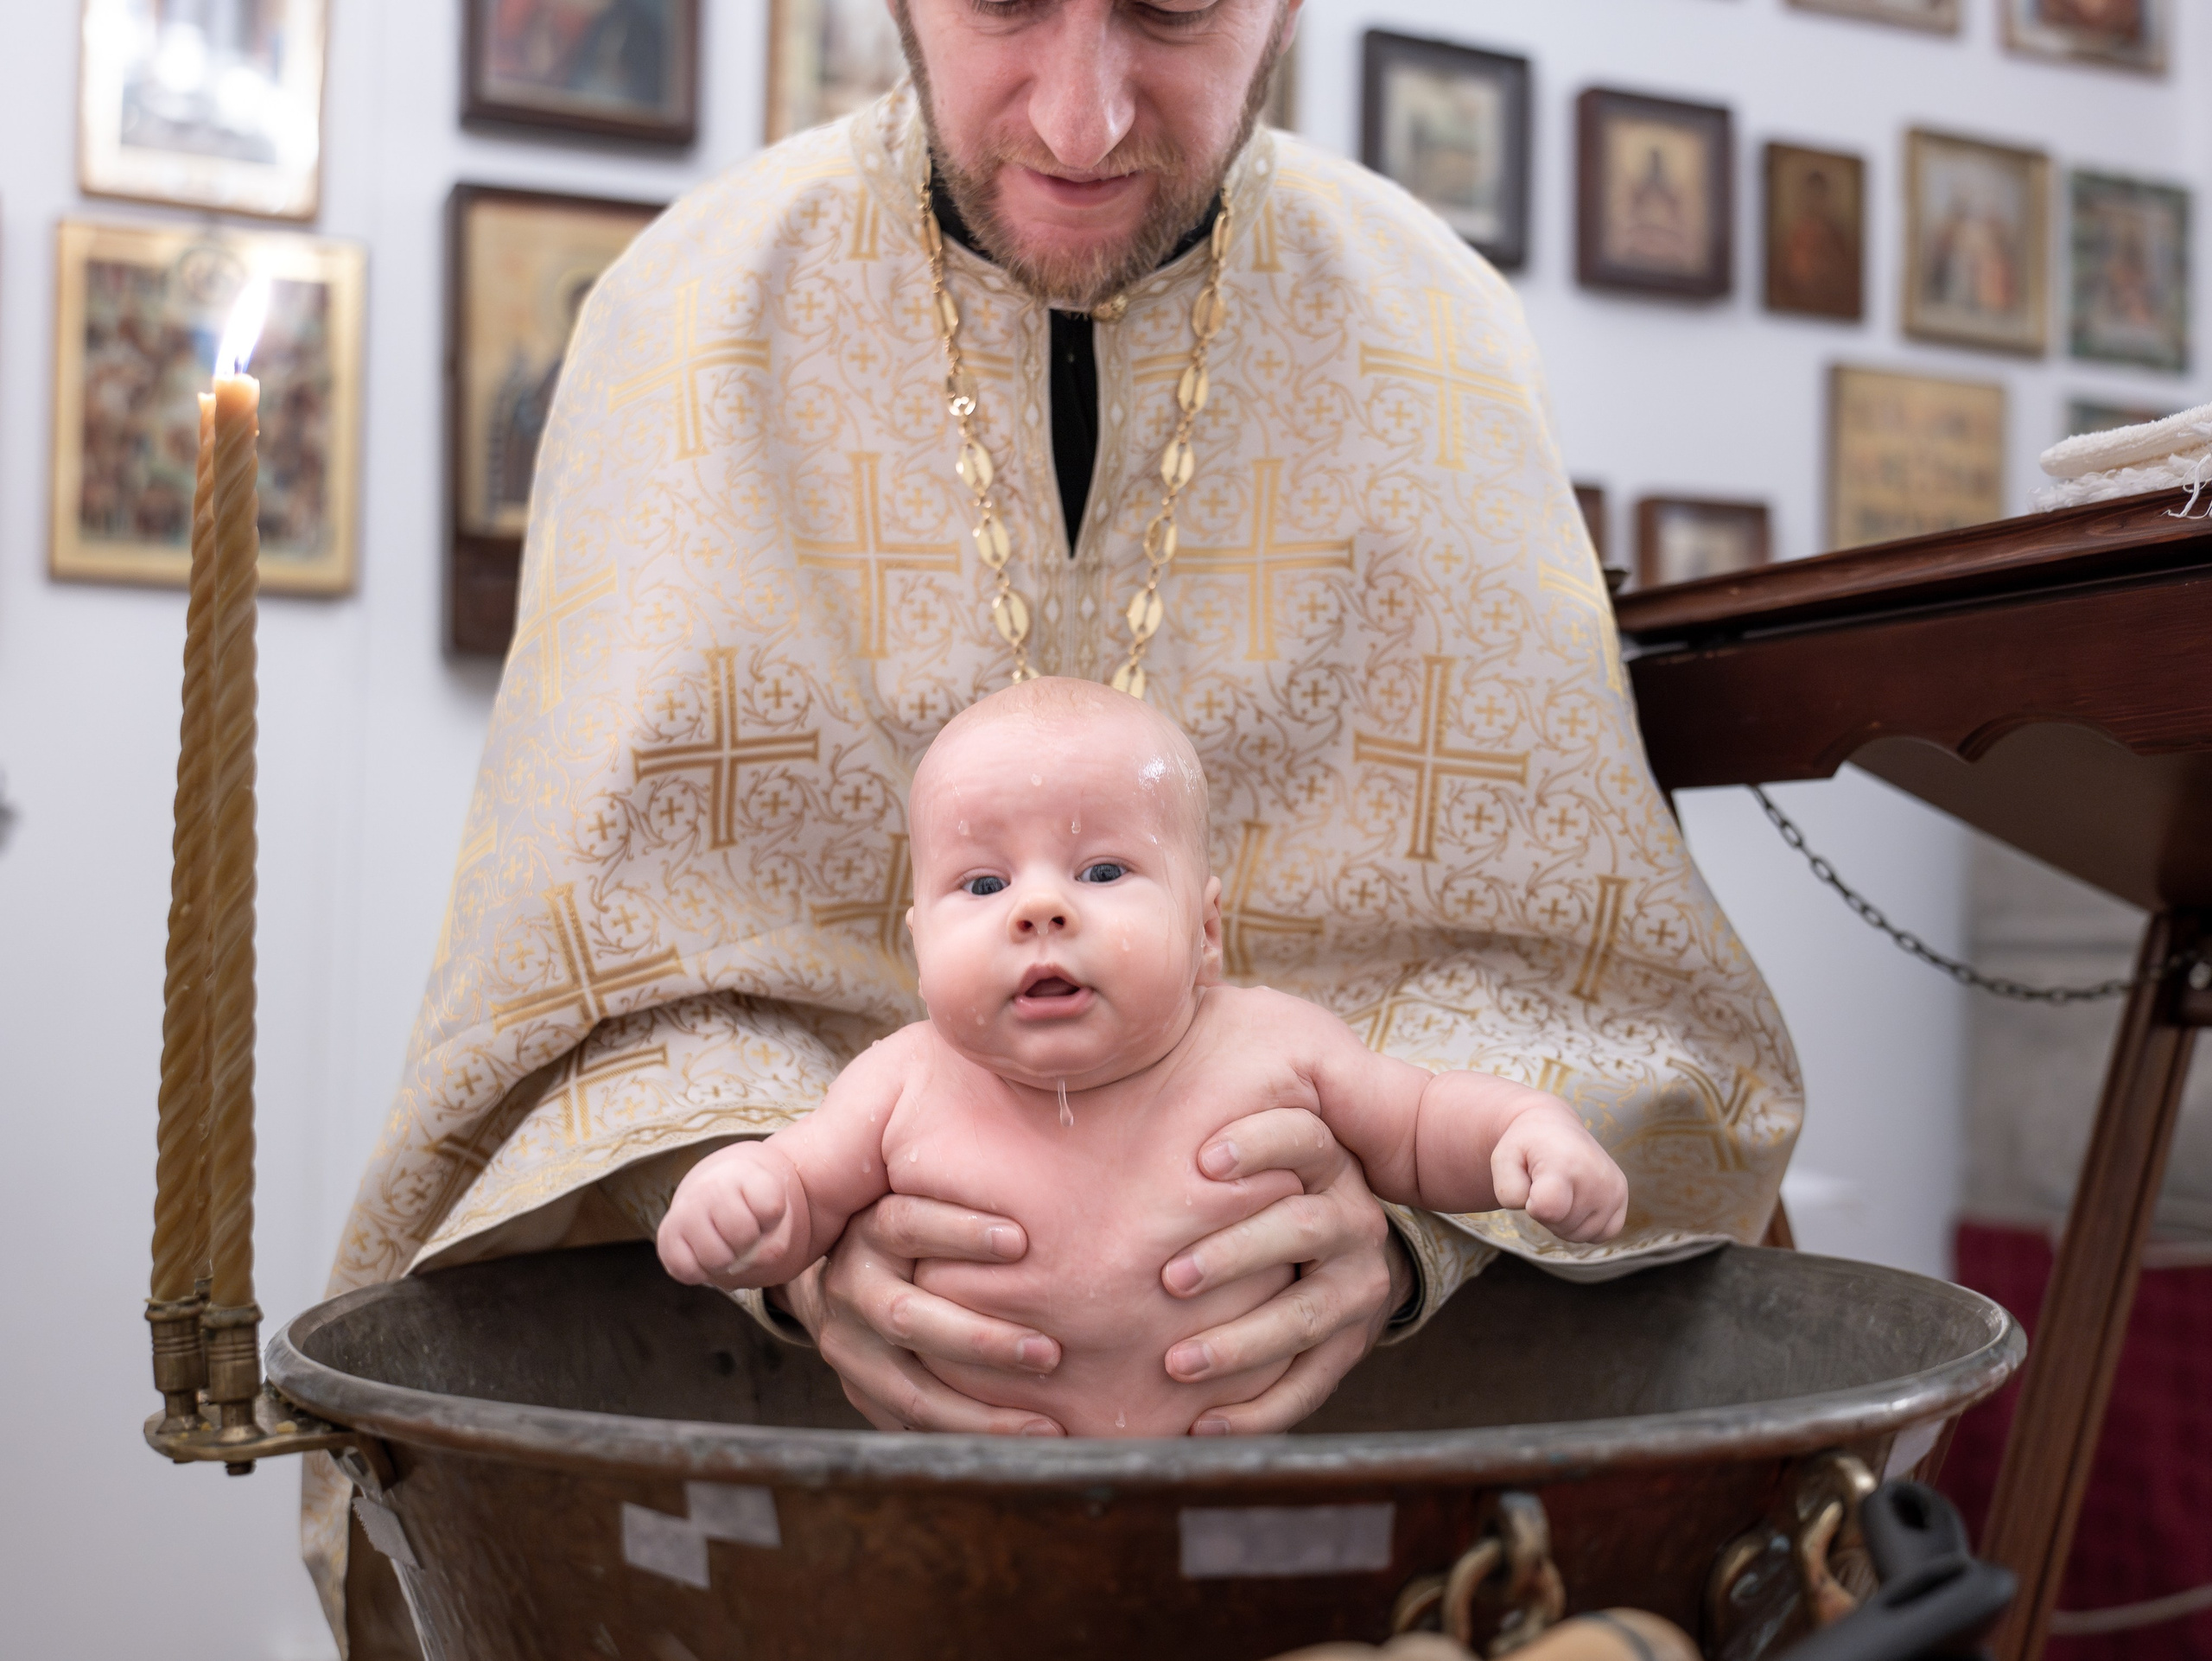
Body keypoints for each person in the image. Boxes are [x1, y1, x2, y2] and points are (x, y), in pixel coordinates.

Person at [307, 0, 1801, 1640]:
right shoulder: (688, 319)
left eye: (1172, 9)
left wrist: (1408, 1220)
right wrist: (793, 1218)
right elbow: (570, 1007)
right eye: (1009, 0)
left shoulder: (1437, 327)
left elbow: (1609, 996)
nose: (1082, 121)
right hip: (779, 1524)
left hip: (1361, 1525)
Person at [658, 679, 1628, 1435]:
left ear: (1206, 930)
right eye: (984, 880)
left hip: (1230, 1483)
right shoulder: (899, 1082)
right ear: (917, 947)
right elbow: (796, 1200)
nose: (1040, 908)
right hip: (959, 1482)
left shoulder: (1273, 1044)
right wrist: (742, 1191)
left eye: (1103, 870)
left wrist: (1524, 1129)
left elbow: (1420, 1128)